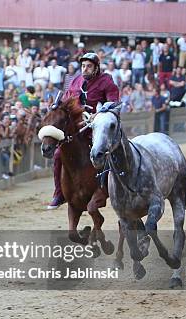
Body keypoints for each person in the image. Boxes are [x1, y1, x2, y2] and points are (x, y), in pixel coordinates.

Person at [46, 52, 119, 210]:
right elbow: (66, 100)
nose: (85, 69)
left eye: (89, 66)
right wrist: (56, 107)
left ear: (96, 68)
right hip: (77, 128)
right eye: (83, 66)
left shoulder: (106, 80)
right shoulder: (75, 81)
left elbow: (113, 100)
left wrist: (101, 112)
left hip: (97, 125)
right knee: (58, 154)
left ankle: (113, 186)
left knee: (109, 151)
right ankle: (59, 193)